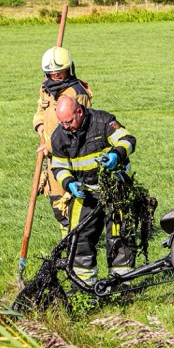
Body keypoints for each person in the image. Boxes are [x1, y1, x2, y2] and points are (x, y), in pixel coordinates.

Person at [49, 97, 137, 283]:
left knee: (119, 236)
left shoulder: (103, 121)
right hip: (85, 193)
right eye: (62, 123)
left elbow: (128, 140)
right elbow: (58, 167)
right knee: (79, 238)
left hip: (115, 189)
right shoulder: (59, 136)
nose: (66, 127)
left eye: (69, 121)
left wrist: (116, 154)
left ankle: (121, 285)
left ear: (79, 112)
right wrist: (69, 183)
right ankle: (83, 286)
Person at [33, 46, 91, 233]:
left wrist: (50, 145)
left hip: (72, 156)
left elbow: (77, 127)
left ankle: (78, 241)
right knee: (57, 203)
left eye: (60, 72)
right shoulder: (45, 88)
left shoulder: (77, 93)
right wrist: (40, 127)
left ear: (69, 69)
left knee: (73, 201)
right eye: (52, 73)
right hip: (51, 156)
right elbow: (40, 112)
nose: (56, 76)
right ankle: (66, 239)